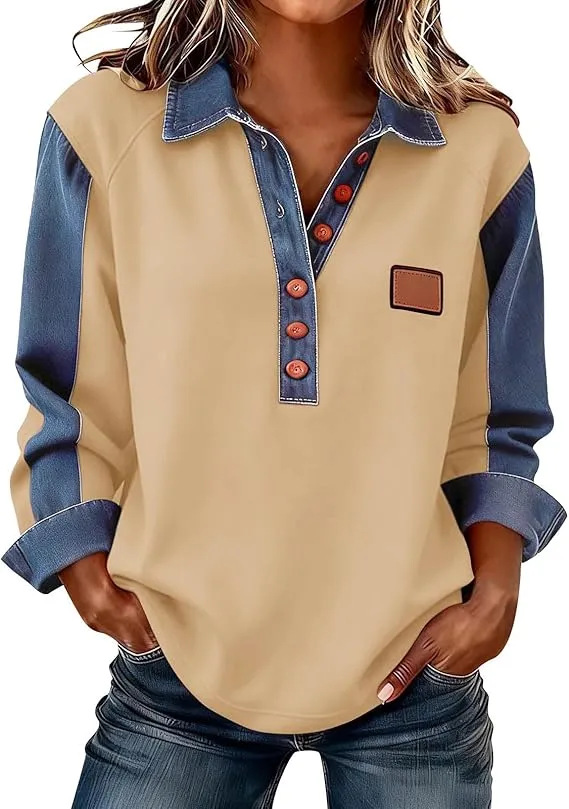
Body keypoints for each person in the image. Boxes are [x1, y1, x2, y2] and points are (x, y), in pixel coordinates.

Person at [3, 1, 565, 806]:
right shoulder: (102, 128)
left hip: (415, 672)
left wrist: (497, 586)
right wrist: (81, 561)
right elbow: (68, 382)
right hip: (178, 669)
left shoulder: (478, 149)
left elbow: (493, 410)